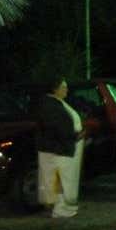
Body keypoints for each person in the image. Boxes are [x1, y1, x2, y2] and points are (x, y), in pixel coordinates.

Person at [37, 77, 85, 218]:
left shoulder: (57, 103)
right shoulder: (50, 105)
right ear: (55, 89)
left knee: (60, 178)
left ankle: (62, 207)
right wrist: (76, 136)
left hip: (61, 147)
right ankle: (59, 209)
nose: (66, 90)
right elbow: (58, 128)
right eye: (64, 87)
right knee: (59, 179)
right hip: (57, 149)